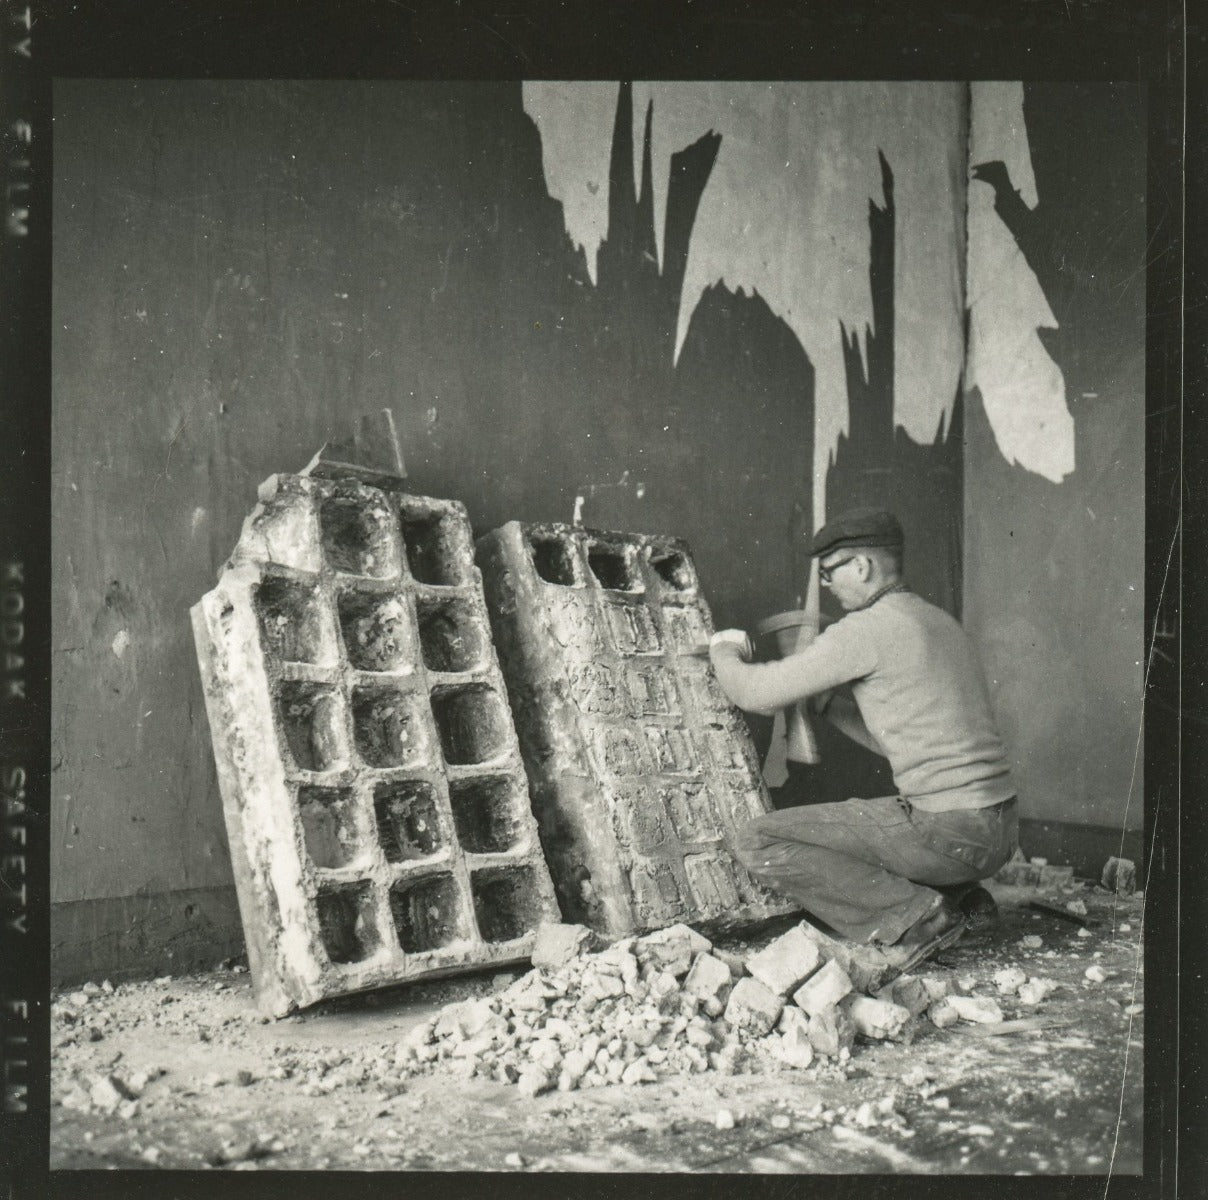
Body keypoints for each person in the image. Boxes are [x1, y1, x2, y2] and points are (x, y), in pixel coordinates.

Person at [709, 506, 1018, 968]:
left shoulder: (864, 630)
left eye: (830, 572)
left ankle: (918, 919)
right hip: (998, 833)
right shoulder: (940, 623)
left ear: (862, 566)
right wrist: (826, 705)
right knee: (881, 828)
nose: (828, 585)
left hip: (947, 831)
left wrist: (724, 652)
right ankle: (966, 899)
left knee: (758, 840)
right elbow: (900, 741)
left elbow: (756, 694)